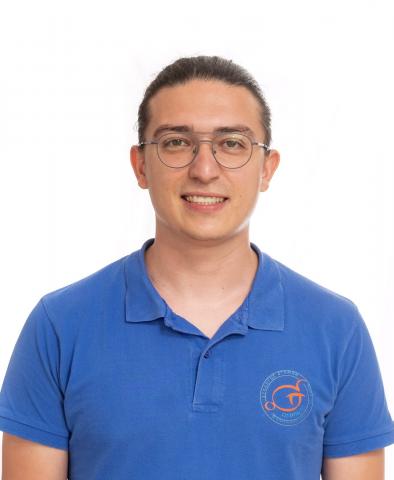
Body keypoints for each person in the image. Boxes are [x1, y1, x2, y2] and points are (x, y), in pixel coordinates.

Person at [0, 55, 393, 480]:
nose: (204, 170)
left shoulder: (335, 328)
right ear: (140, 165)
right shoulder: (60, 326)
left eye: (232, 144)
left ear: (267, 168)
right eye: (176, 142)